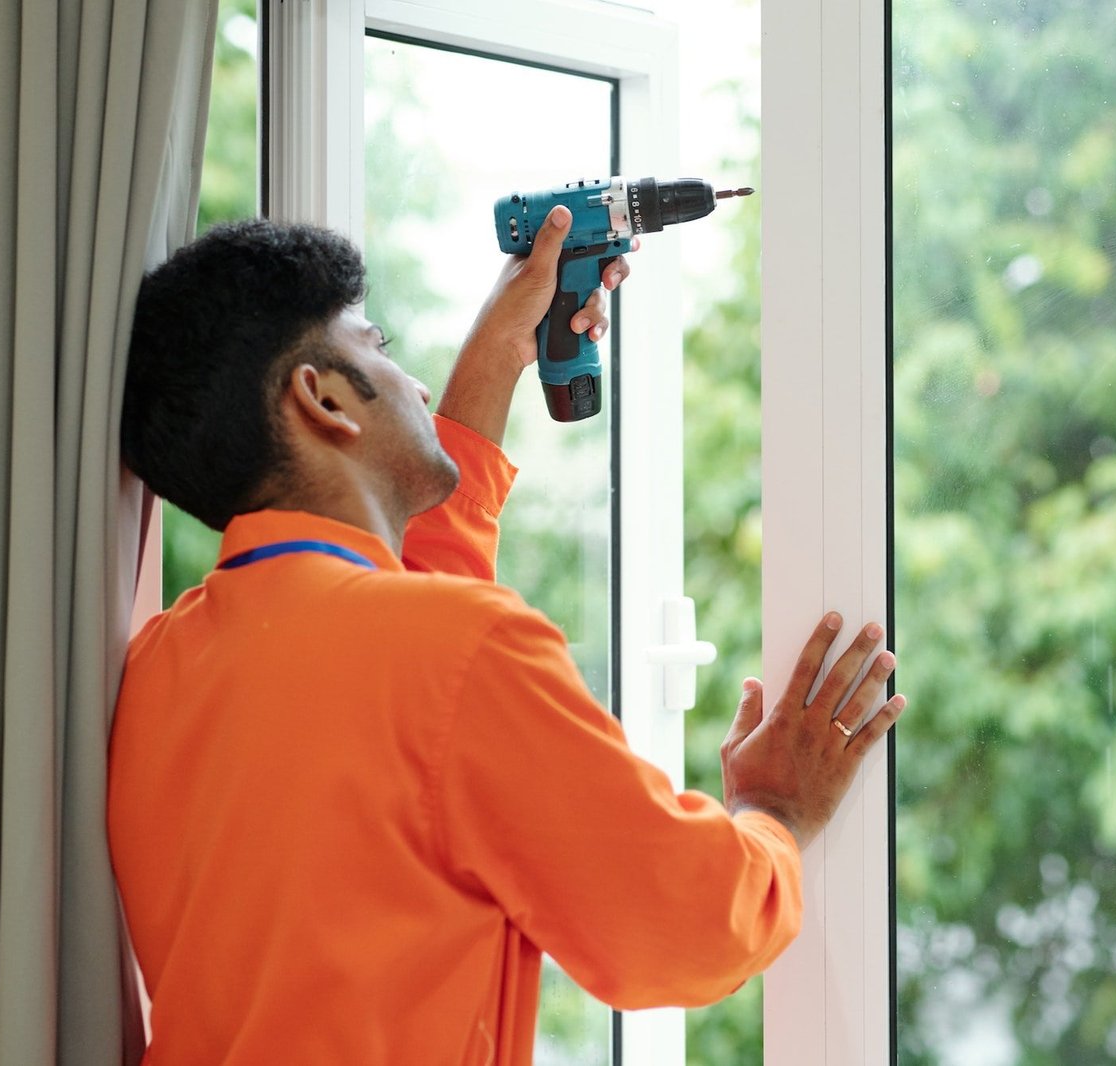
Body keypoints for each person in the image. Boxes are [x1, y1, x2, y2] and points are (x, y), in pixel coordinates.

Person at [108, 206, 906, 1065]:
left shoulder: (159, 665)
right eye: (378, 345)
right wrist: (776, 811)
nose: (415, 385)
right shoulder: (455, 651)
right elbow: (685, 927)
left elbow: (401, 638)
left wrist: (499, 350)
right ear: (324, 398)